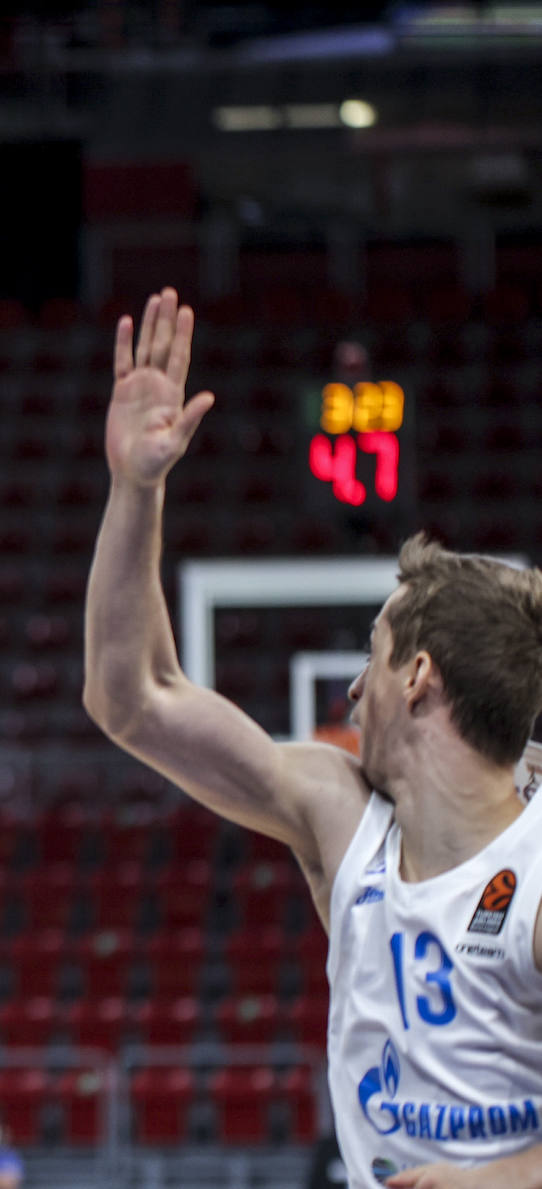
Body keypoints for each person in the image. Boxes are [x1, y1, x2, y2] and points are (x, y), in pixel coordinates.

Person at [82, 287, 542, 1189]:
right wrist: (137, 489)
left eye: (371, 654)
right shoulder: (339, 811)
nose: (351, 687)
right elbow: (133, 697)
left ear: (418, 679)